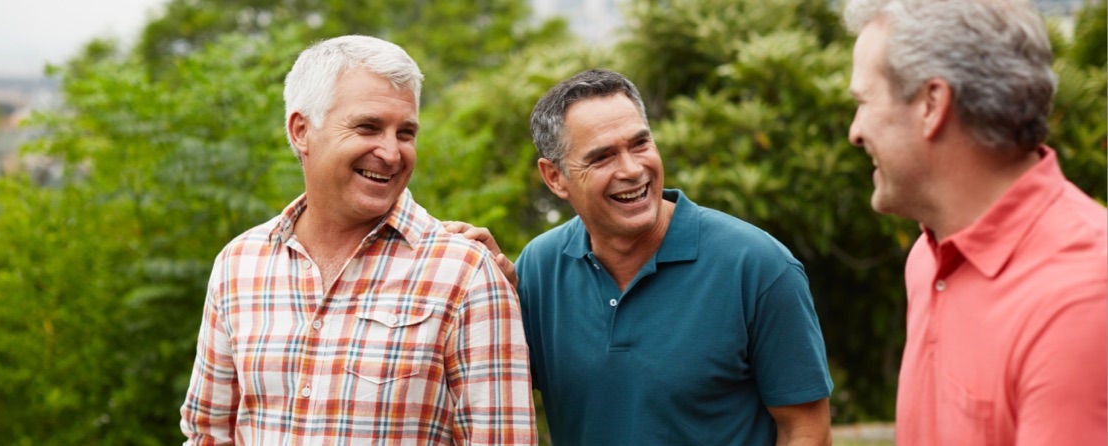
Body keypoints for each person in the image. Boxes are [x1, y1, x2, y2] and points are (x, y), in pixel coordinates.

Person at [178, 35, 535, 445]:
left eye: (406, 133)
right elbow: (208, 435)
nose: (391, 153)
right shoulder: (239, 263)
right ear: (301, 131)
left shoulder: (466, 273)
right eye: (368, 127)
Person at [453, 68, 834, 444]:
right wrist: (492, 293)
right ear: (555, 177)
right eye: (602, 157)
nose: (632, 169)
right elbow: (495, 387)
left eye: (640, 144)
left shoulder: (758, 265)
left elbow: (806, 430)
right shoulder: (540, 267)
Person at [843, 0, 1108, 443]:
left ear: (932, 104)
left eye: (864, 102)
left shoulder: (1081, 299)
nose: (855, 131)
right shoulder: (929, 259)